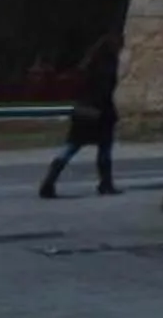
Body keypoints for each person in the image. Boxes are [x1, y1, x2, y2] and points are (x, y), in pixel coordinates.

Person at [39, 33, 121, 198]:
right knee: (104, 149)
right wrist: (110, 112)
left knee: (72, 146)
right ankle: (105, 184)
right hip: (100, 113)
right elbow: (104, 92)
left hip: (82, 109)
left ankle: (49, 181)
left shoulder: (87, 65)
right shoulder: (108, 66)